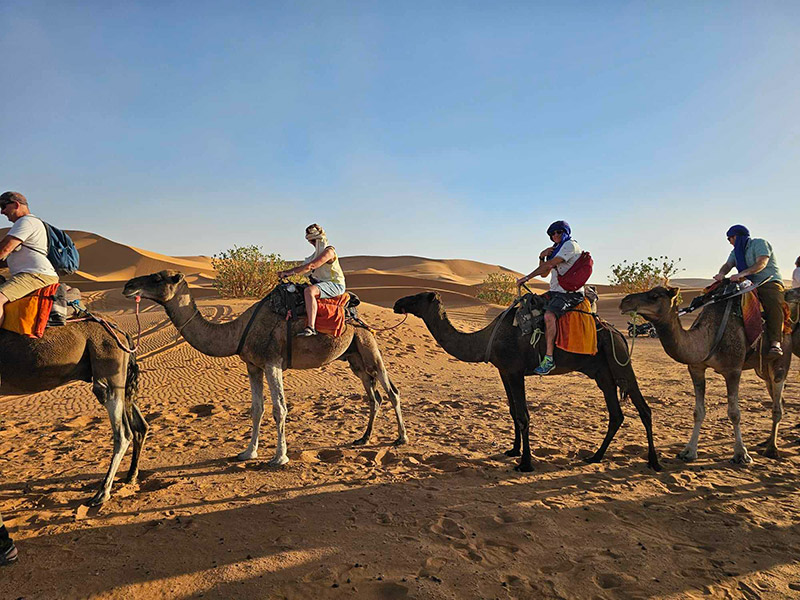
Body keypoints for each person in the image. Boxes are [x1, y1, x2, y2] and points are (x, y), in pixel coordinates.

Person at [517, 220, 585, 375]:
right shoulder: (556, 249)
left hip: (570, 294)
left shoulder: (570, 246)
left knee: (549, 315)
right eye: (552, 234)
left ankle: (549, 359)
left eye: (558, 232)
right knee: (529, 306)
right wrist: (541, 257)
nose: (555, 236)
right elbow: (545, 273)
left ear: (565, 232)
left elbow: (550, 265)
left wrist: (526, 278)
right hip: (555, 291)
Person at [714, 225, 785, 356]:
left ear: (737, 236)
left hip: (768, 281)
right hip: (747, 283)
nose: (729, 242)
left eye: (730, 238)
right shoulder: (736, 252)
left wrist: (742, 274)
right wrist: (721, 274)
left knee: (773, 304)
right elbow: (728, 264)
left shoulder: (759, 243)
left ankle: (776, 343)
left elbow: (761, 263)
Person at [0, 191, 59, 329]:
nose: (2, 212)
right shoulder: (29, 223)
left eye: (3, 206)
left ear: (15, 204)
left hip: (34, 275)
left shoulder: (26, 222)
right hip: (31, 274)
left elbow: (4, 249)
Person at [277, 224, 346, 337]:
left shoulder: (329, 252)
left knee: (309, 291)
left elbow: (311, 266)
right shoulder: (314, 255)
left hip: (335, 284)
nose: (312, 243)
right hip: (321, 283)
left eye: (314, 240)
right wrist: (286, 272)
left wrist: (289, 273)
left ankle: (311, 327)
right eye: (311, 241)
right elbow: (304, 266)